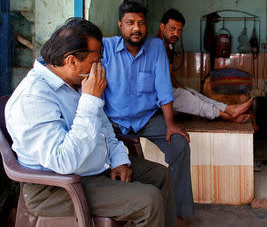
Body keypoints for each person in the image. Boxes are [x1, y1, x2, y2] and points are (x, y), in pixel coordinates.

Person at [5, 18, 176, 227]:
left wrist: (119, 159)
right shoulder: (33, 98)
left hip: (92, 165)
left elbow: (104, 127)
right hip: (57, 186)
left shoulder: (74, 82)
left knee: (161, 175)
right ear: (72, 61)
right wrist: (91, 100)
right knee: (149, 201)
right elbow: (64, 162)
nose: (100, 68)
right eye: (95, 62)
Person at [102, 2, 193, 225]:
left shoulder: (156, 47)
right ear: (120, 25)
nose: (137, 28)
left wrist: (170, 123)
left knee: (180, 144)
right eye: (130, 23)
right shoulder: (106, 47)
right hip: (112, 120)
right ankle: (119, 208)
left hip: (146, 118)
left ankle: (177, 212)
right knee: (98, 152)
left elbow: (164, 87)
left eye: (141, 23)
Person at [157, 9, 253, 124]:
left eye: (179, 30)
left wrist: (183, 88)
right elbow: (165, 80)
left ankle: (228, 108)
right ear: (162, 27)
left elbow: (170, 75)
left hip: (165, 89)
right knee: (189, 97)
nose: (176, 34)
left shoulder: (169, 46)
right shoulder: (157, 45)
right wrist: (183, 91)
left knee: (192, 92)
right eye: (172, 29)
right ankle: (227, 115)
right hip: (157, 95)